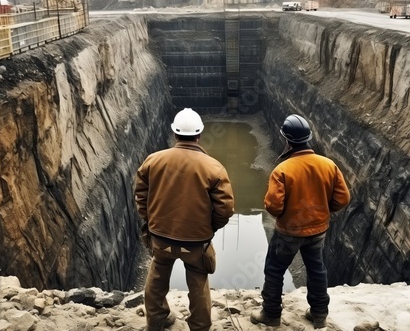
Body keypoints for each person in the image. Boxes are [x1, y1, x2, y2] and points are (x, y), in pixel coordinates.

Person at [134, 108, 235, 331]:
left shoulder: (153, 161)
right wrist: (210, 228)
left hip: (160, 238)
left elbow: (141, 196)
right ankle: (199, 326)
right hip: (196, 243)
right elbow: (225, 209)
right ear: (199, 134)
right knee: (198, 281)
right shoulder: (214, 167)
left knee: (158, 275)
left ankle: (157, 320)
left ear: (175, 134)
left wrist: (151, 220)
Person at [250, 114, 350, 329]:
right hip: (318, 230)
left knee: (275, 269)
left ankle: (271, 314)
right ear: (308, 138)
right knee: (317, 269)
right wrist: (322, 210)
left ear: (287, 140)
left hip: (289, 232)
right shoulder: (328, 165)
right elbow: (342, 198)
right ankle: (319, 314)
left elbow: (274, 206)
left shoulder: (283, 170)